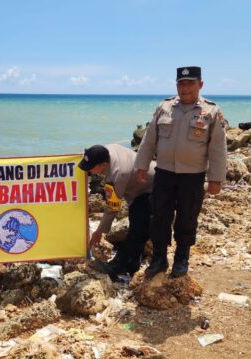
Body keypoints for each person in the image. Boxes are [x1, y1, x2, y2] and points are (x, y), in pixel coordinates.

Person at [134, 66, 227, 279]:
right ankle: (158, 259)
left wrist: (215, 179)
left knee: (187, 219)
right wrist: (141, 166)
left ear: (200, 85)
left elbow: (218, 148)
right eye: (181, 83)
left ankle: (181, 259)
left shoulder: (211, 111)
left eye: (190, 83)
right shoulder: (164, 107)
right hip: (164, 173)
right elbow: (149, 139)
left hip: (193, 177)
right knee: (159, 217)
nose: (185, 88)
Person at [79, 144, 156, 282]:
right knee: (138, 226)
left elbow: (113, 207)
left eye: (91, 168)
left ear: (103, 165)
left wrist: (99, 232)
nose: (88, 171)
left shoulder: (117, 174)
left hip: (152, 189)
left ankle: (118, 267)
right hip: (140, 188)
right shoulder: (105, 150)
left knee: (138, 229)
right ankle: (133, 266)